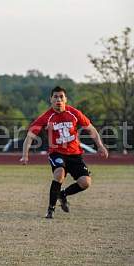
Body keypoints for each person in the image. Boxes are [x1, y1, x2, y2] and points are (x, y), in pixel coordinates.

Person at [20, 86, 108, 219]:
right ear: (50, 99)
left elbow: (91, 129)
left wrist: (100, 146)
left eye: (61, 97)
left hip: (75, 154)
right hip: (57, 153)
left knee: (85, 182)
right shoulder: (46, 117)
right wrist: (25, 155)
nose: (58, 100)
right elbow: (30, 136)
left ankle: (63, 194)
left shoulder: (74, 113)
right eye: (55, 97)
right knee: (59, 174)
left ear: (66, 99)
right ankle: (51, 209)